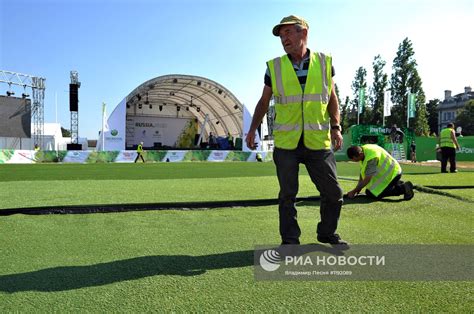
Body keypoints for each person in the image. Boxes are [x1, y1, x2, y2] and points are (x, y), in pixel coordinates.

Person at [245, 15, 346, 246]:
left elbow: (332, 98)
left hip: (318, 141)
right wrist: (253, 130)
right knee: (287, 195)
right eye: (281, 36)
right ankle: (290, 241)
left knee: (334, 193)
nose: (284, 39)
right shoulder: (274, 67)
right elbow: (264, 101)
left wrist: (336, 127)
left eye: (288, 33)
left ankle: (327, 233)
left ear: (304, 33)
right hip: (287, 143)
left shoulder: (324, 62)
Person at [346, 144, 414, 200]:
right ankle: (397, 183)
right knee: (369, 192)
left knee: (375, 195)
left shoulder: (371, 157)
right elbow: (362, 172)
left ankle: (404, 188)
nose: (354, 161)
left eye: (355, 159)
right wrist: (358, 188)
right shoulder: (363, 150)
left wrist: (353, 191)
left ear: (360, 154)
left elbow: (367, 179)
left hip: (393, 173)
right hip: (388, 174)